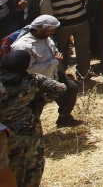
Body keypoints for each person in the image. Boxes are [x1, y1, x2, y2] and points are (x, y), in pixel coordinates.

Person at [0, 50, 66, 187]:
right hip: (31, 131)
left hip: (6, 134)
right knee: (33, 166)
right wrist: (42, 100)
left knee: (10, 168)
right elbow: (61, 87)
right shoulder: (33, 80)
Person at [10, 15, 82, 127]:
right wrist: (54, 62)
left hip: (53, 73)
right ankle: (32, 131)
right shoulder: (23, 46)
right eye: (51, 30)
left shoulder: (45, 37)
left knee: (71, 88)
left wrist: (56, 55)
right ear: (39, 30)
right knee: (37, 105)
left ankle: (64, 117)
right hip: (37, 82)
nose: (53, 32)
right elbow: (30, 69)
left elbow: (52, 49)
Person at [39, 0, 91, 79]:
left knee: (62, 50)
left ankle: (63, 74)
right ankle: (84, 75)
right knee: (82, 50)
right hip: (81, 22)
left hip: (62, 26)